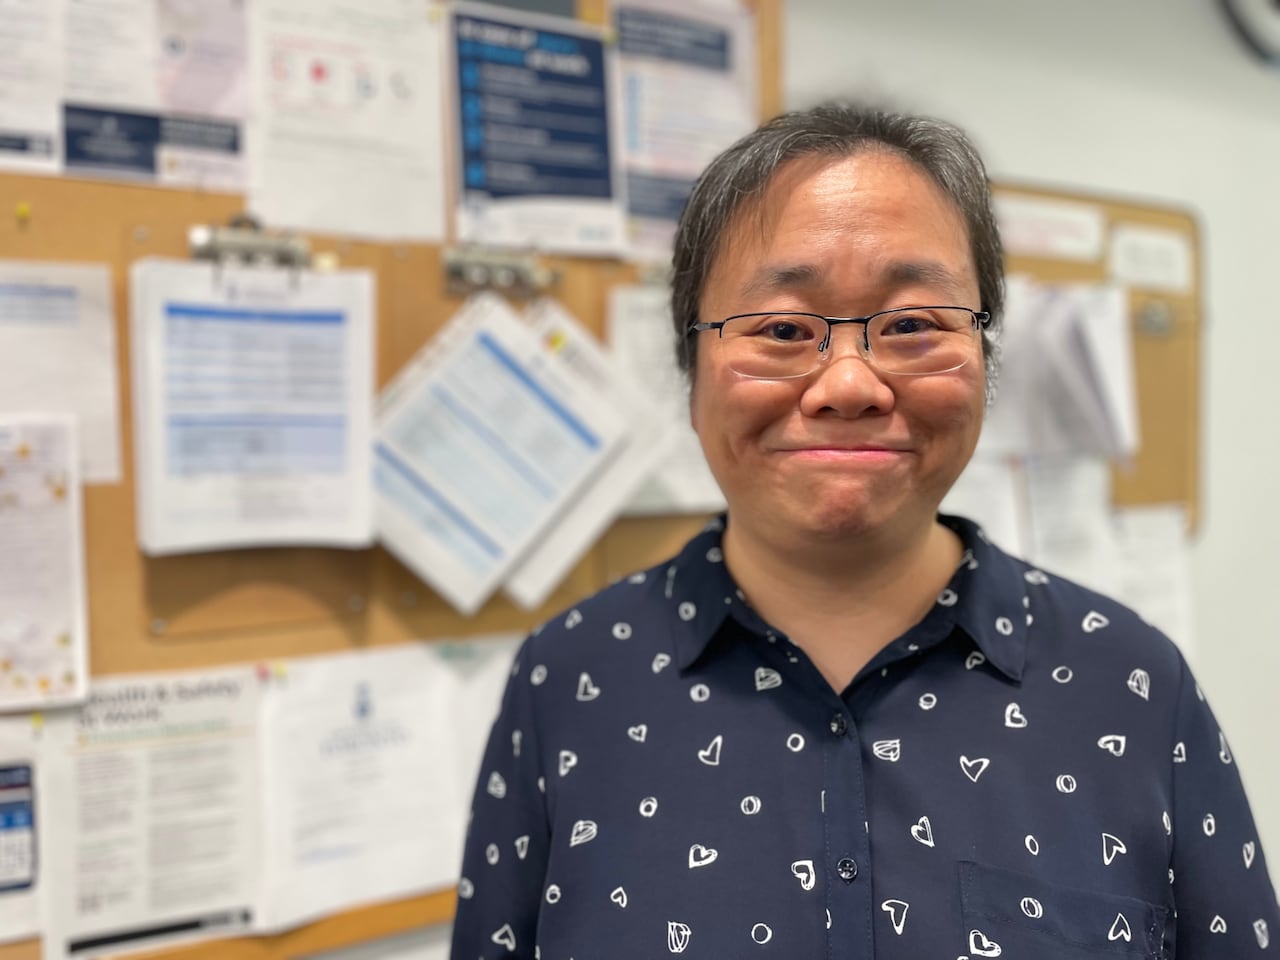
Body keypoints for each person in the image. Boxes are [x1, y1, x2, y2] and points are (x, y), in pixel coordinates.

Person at [450, 103, 1278, 958]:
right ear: (689, 371)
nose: (849, 383)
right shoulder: (570, 681)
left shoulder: (1133, 684)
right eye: (780, 329)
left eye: (913, 325)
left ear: (986, 362)